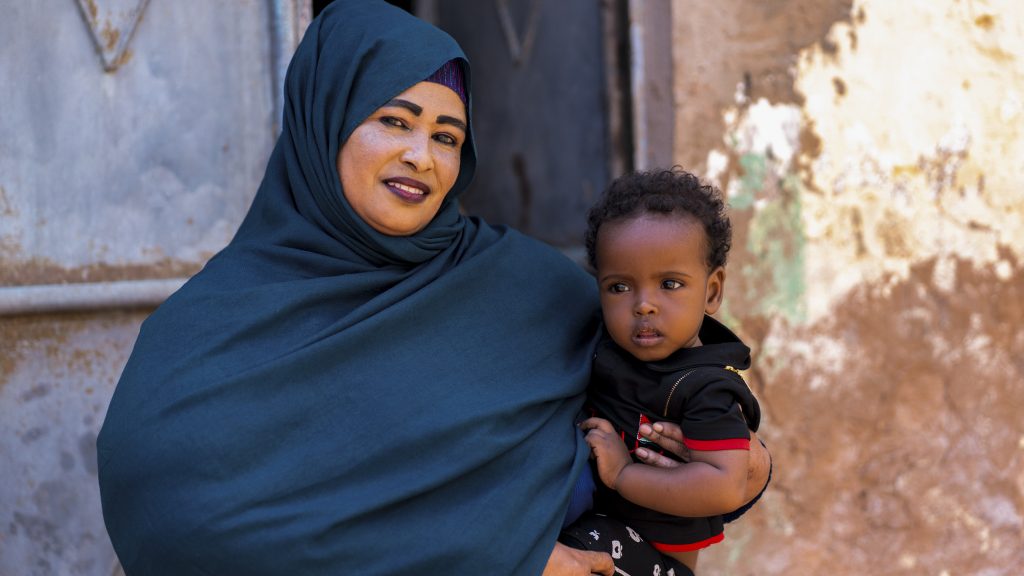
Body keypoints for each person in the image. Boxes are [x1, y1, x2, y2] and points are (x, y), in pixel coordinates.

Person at [97, 2, 734, 574]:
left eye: (447, 136)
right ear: (325, 123)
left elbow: (679, 399)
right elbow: (179, 521)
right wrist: (510, 559)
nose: (421, 157)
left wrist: (747, 471)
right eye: (394, 122)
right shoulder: (211, 326)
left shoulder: (530, 289)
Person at [566, 168, 769, 574]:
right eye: (619, 287)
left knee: (567, 550)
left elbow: (725, 485)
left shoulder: (706, 387)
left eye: (670, 284)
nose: (644, 305)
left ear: (711, 291)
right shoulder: (604, 349)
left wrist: (623, 474)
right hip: (608, 528)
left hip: (658, 564)